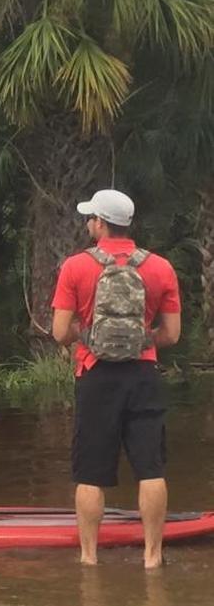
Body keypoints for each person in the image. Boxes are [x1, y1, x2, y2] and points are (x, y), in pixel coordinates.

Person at [51, 189, 181, 569]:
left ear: (100, 224)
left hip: (95, 373)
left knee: (90, 471)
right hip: (143, 374)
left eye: (90, 218)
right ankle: (152, 558)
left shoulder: (76, 266)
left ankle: (89, 559)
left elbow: (60, 332)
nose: (88, 223)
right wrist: (141, 340)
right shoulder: (160, 267)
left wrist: (89, 333)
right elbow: (171, 334)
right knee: (150, 467)